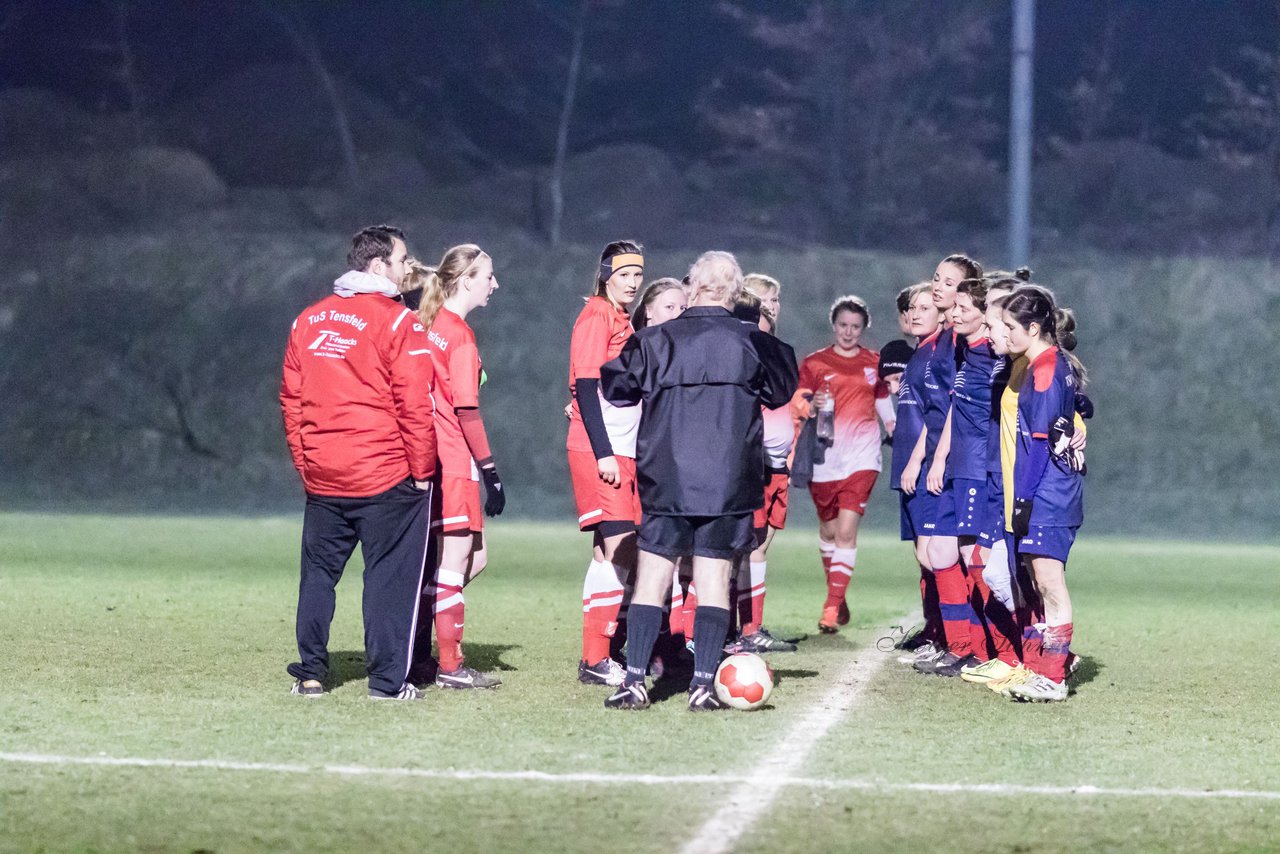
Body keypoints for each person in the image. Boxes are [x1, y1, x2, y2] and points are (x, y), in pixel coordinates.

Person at [599, 251, 798, 711]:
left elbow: (617, 388)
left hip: (666, 476)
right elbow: (781, 388)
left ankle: (634, 682)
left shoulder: (655, 339)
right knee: (713, 580)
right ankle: (704, 685)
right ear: (734, 292)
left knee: (653, 577)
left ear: (692, 288)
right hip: (728, 481)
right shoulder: (754, 340)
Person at [280, 224, 436, 701]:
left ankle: (310, 674)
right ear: (377, 266)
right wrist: (423, 470)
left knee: (318, 576)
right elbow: (415, 404)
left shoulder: (308, 319)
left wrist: (307, 465)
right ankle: (387, 684)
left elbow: (292, 399)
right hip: (386, 476)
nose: (409, 267)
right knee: (389, 579)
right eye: (403, 259)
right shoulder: (399, 322)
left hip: (325, 476)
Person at [402, 246, 504, 690]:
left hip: (428, 457)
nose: (494, 285)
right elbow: (466, 409)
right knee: (458, 562)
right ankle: (449, 665)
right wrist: (491, 471)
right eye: (488, 277)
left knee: (469, 560)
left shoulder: (429, 324)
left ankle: (418, 648)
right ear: (465, 280)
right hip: (453, 458)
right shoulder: (459, 334)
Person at [998, 285, 1088, 703]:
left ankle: (1052, 676)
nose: (1005, 334)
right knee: (1041, 580)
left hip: (1049, 493)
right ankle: (1051, 669)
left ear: (1033, 328)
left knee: (1050, 583)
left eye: (1010, 327)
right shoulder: (1054, 364)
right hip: (1052, 491)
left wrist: (1023, 497)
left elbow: (1037, 446)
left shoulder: (1045, 370)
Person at [568, 241, 645, 687]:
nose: (633, 282)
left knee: (610, 550)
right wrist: (603, 453)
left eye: (638, 274)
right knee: (620, 547)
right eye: (625, 274)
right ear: (605, 274)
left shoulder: (620, 318)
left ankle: (598, 655)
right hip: (604, 448)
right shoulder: (597, 313)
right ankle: (596, 659)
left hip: (619, 446)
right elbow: (584, 382)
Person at [794, 295, 887, 633]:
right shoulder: (815, 363)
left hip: (862, 457)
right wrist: (811, 403)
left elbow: (885, 405)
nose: (849, 332)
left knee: (846, 532)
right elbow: (798, 403)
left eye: (856, 327)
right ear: (834, 325)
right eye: (843, 325)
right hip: (824, 458)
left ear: (863, 329)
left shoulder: (874, 363)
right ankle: (839, 591)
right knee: (829, 532)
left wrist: (896, 430)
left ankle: (831, 607)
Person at [726, 279, 797, 654]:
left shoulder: (776, 349)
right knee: (744, 547)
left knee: (759, 548)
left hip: (777, 465)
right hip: (752, 464)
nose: (771, 305)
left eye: (776, 298)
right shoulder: (744, 344)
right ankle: (740, 630)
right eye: (762, 299)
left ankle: (750, 627)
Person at [891, 283, 945, 660]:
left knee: (934, 556)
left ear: (942, 313)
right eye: (912, 308)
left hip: (923, 468)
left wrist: (917, 459)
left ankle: (950, 637)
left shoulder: (939, 354)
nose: (915, 313)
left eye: (925, 307)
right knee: (922, 558)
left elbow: (939, 414)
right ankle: (934, 630)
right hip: (908, 467)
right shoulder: (918, 354)